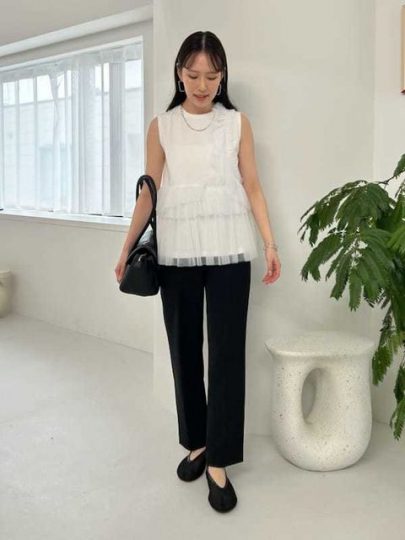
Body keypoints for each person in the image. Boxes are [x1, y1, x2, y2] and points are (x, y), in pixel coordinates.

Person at [115, 30, 281, 513]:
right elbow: (149, 191)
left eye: (211, 76)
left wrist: (270, 243)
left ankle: (219, 460)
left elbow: (252, 185)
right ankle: (197, 443)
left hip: (230, 248)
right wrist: (126, 248)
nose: (203, 85)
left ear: (222, 76)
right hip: (177, 250)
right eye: (193, 75)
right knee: (184, 348)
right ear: (179, 74)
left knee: (227, 353)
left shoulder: (237, 123)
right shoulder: (162, 127)